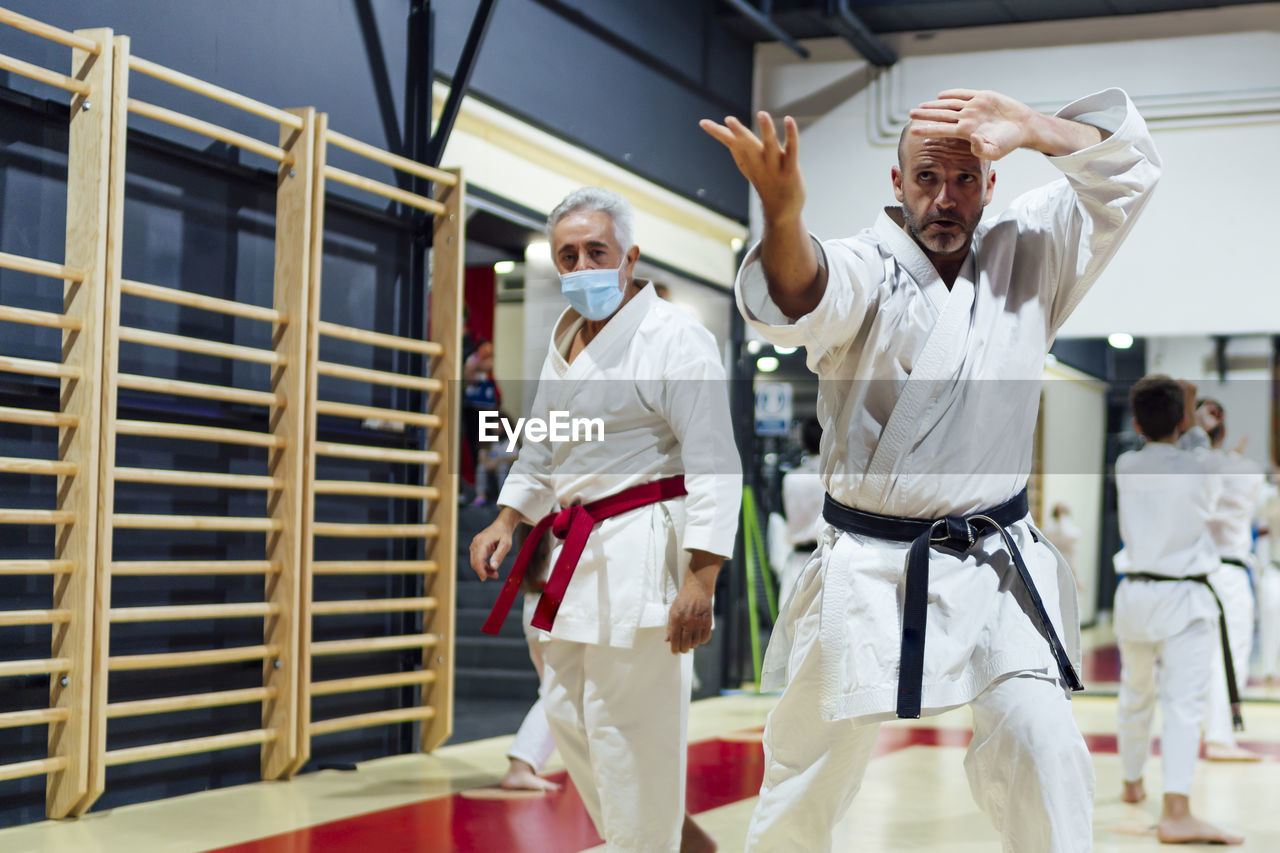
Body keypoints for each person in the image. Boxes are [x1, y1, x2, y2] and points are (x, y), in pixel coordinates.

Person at [702, 85, 1160, 851]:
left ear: (991, 181)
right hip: (871, 567)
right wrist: (782, 215)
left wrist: (1034, 127)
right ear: (897, 182)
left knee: (1046, 748)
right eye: (926, 179)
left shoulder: (1032, 248)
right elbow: (801, 288)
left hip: (994, 564)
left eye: (965, 180)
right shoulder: (864, 265)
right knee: (808, 781)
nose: (944, 199)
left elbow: (1129, 172)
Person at [469, 186, 740, 853]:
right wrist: (506, 519)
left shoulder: (675, 337)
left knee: (629, 731)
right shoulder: (565, 340)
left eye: (598, 250)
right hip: (571, 553)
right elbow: (542, 445)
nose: (584, 265)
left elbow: (714, 461)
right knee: (569, 715)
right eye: (570, 254)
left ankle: (649, 841)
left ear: (630, 257)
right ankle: (661, 837)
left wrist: (701, 580)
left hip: (640, 551)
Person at [1112, 375, 1241, 844]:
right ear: (1184, 421)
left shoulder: (1126, 465)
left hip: (1135, 597)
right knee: (1183, 705)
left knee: (1136, 693)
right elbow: (1196, 450)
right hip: (1183, 599)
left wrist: (1184, 415)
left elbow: (1177, 442)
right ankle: (1177, 810)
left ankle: (1131, 782)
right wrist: (1195, 421)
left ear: (1135, 424)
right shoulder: (1199, 466)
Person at [1188, 398, 1266, 760]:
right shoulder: (1245, 469)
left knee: (1198, 657)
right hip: (1228, 573)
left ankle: (1207, 730)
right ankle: (1219, 737)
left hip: (1193, 575)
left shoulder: (1186, 468)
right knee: (1229, 656)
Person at [777, 416, 823, 605]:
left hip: (797, 564)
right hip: (827, 563)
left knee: (791, 630)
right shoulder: (837, 480)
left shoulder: (790, 478)